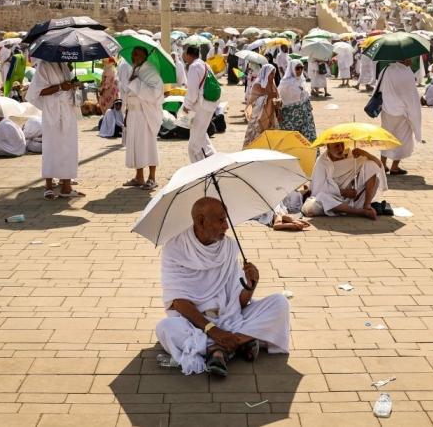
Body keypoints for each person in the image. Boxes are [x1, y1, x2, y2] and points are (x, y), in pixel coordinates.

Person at [155, 197, 290, 376]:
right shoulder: (175, 249)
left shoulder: (228, 247)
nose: (226, 226)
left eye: (226, 219)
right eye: (220, 220)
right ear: (201, 221)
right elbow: (178, 302)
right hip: (194, 323)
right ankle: (240, 342)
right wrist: (213, 331)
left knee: (280, 303)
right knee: (166, 327)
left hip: (230, 317)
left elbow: (239, 303)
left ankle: (219, 350)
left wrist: (250, 286)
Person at [26, 60, 84, 200]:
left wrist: (73, 84)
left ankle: (66, 185)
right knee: (51, 147)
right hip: (52, 113)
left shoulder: (64, 65)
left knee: (69, 148)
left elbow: (67, 87)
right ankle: (49, 185)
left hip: (68, 111)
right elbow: (37, 92)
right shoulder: (44, 65)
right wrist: (59, 87)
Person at [302, 142, 386, 220]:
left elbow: (378, 165)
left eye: (342, 145)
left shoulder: (352, 155)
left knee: (371, 167)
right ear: (328, 147)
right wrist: (342, 192)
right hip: (332, 200)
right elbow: (318, 189)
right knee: (321, 197)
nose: (340, 148)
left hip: (352, 199)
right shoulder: (322, 161)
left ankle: (367, 206)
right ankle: (361, 212)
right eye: (336, 146)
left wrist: (365, 154)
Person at [120, 46, 164, 191]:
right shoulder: (135, 69)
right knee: (135, 145)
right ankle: (139, 176)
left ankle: (152, 178)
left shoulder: (151, 71)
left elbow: (154, 94)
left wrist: (136, 82)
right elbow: (128, 92)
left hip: (145, 115)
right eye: (133, 54)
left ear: (145, 55)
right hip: (133, 114)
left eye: (137, 54)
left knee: (148, 145)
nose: (134, 57)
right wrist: (126, 112)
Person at [378, 59, 422, 175]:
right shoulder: (407, 72)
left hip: (387, 110)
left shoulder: (386, 69)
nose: (412, 61)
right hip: (402, 112)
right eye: (410, 58)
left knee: (386, 137)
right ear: (404, 58)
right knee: (402, 139)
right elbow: (410, 95)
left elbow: (379, 88)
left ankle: (382, 164)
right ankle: (394, 167)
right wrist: (414, 114)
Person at [183, 45, 219, 163]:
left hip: (200, 107)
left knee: (194, 144)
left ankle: (199, 168)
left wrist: (186, 106)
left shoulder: (194, 67)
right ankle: (214, 161)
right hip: (209, 106)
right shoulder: (205, 65)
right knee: (202, 137)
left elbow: (192, 91)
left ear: (189, 55)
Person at [278, 59, 317, 142]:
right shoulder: (285, 83)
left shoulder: (302, 80)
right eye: (297, 68)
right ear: (292, 68)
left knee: (309, 138)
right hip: (290, 118)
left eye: (301, 68)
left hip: (305, 116)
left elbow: (305, 96)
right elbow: (280, 99)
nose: (300, 70)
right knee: (292, 141)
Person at [243, 64, 280, 147]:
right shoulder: (257, 85)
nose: (273, 76)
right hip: (258, 116)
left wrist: (277, 101)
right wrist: (268, 97)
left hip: (270, 115)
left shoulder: (273, 84)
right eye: (271, 73)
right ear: (266, 73)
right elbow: (254, 102)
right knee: (256, 137)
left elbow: (277, 96)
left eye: (274, 73)